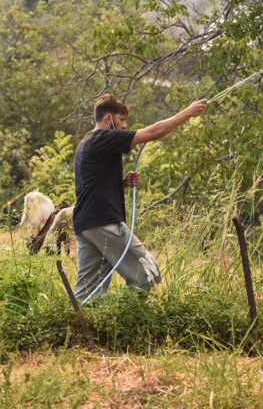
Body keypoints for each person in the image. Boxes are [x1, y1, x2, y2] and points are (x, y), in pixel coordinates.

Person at [73, 93, 208, 301]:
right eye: (122, 120)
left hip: (86, 225)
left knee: (88, 294)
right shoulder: (103, 137)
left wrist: (122, 183)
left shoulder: (85, 143)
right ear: (108, 119)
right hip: (105, 221)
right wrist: (189, 112)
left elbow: (90, 186)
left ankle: (79, 329)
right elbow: (154, 132)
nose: (125, 126)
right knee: (147, 275)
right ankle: (134, 326)